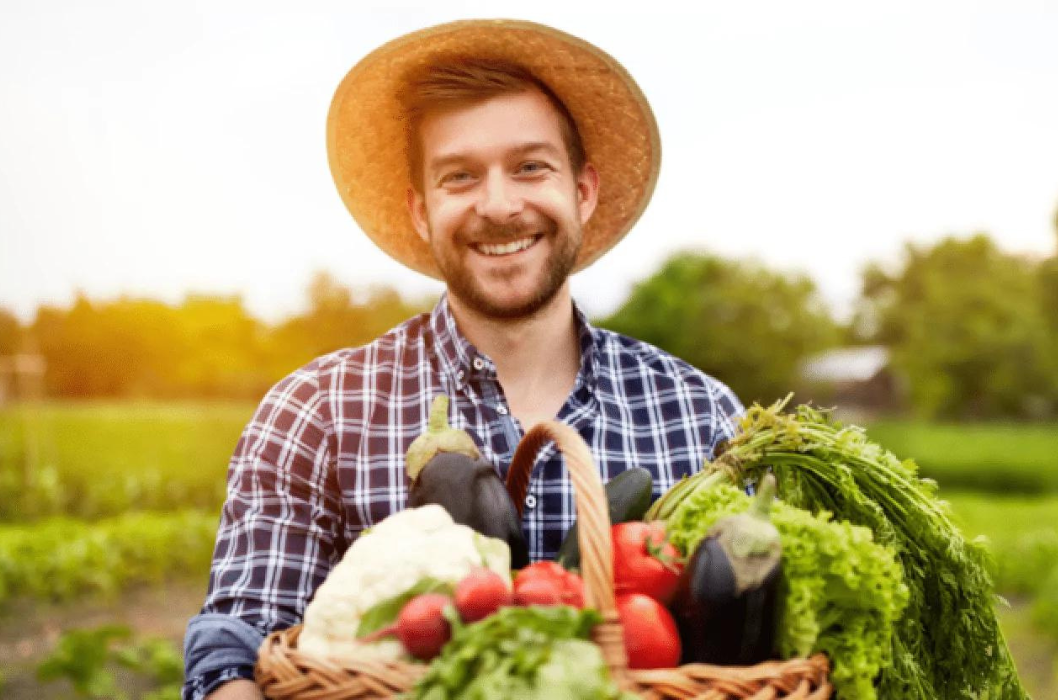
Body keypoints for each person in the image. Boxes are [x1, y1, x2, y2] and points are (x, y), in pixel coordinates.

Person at [182, 19, 743, 699]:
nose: (499, 205)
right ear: (421, 211)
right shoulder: (315, 411)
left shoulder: (701, 414)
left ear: (583, 191)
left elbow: (755, 649)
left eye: (531, 166)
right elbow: (234, 651)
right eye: (460, 177)